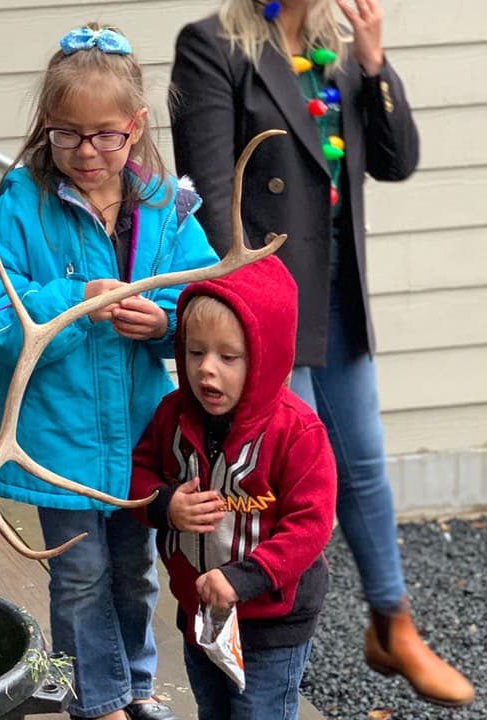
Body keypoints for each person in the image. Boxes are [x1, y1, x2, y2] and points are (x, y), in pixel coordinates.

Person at [169, 0, 474, 706]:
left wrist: (374, 60)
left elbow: (397, 162)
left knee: (363, 466)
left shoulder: (337, 48)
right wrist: (250, 321)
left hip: (336, 295)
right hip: (265, 312)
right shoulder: (211, 46)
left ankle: (392, 625)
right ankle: (253, 658)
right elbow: (215, 202)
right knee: (279, 489)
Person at [0, 24, 219, 720]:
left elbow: (208, 296)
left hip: (138, 438)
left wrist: (164, 325)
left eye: (106, 135)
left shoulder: (165, 210)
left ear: (137, 126)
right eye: (68, 135)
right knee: (77, 574)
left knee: (135, 571)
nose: (87, 152)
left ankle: (135, 684)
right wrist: (73, 302)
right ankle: (95, 700)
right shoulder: (19, 209)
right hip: (57, 434)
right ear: (46, 127)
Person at [130, 256, 337, 719]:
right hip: (198, 612)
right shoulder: (173, 417)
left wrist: (243, 579)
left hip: (271, 621)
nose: (207, 370)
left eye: (228, 357)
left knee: (258, 711)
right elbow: (138, 474)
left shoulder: (296, 432)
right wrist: (165, 506)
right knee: (213, 709)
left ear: (266, 357)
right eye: (195, 352)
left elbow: (311, 525)